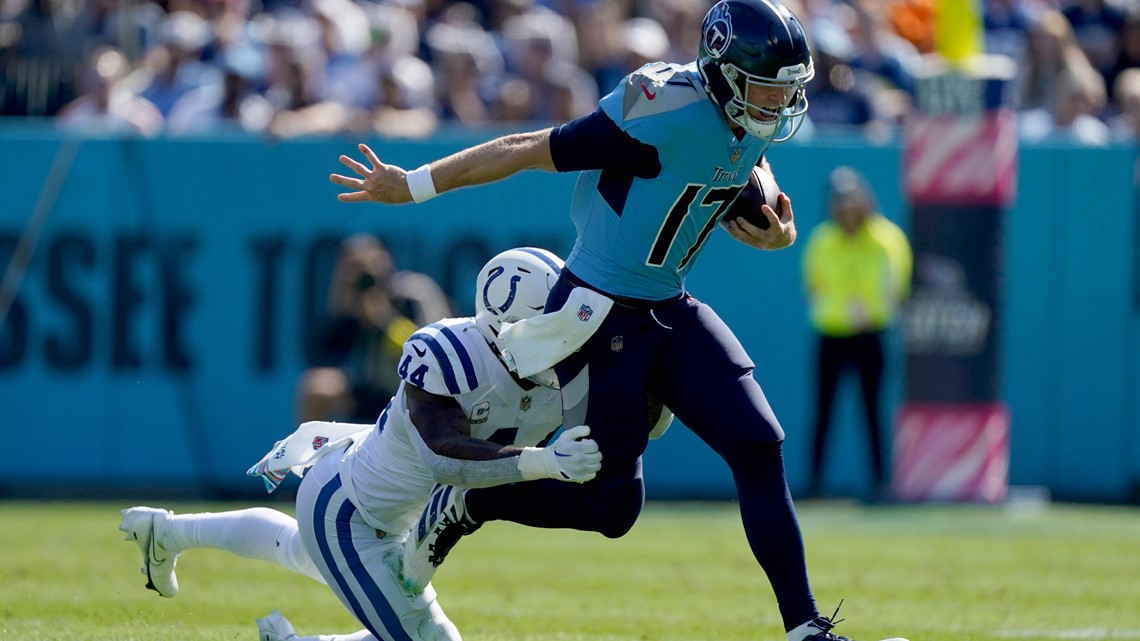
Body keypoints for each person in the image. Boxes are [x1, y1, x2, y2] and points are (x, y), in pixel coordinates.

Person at [328, 1, 907, 640]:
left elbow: (750, 192)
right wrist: (411, 184)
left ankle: (805, 628)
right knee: (611, 509)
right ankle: (473, 498)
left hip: (669, 304)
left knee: (758, 442)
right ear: (723, 73)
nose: (779, 105)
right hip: (598, 313)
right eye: (768, 88)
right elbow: (526, 148)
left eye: (787, 90)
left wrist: (779, 232)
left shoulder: (749, 121)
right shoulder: (663, 110)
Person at [119, 247, 606, 641]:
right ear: (507, 326)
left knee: (301, 553)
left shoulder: (549, 369)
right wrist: (543, 461)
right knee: (426, 637)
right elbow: (442, 452)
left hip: (382, 508)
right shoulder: (450, 353)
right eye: (550, 323)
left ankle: (168, 533)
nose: (565, 335)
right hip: (350, 513)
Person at [801, 166, 912, 500]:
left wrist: (874, 310)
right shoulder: (822, 240)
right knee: (823, 411)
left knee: (871, 411)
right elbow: (813, 287)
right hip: (831, 335)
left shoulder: (886, 238)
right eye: (839, 200)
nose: (846, 206)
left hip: (871, 335)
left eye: (851, 198)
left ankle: (880, 485)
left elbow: (898, 286)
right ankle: (815, 485)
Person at [297, 233, 450, 424]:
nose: (366, 275)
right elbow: (324, 354)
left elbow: (430, 352)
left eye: (369, 264)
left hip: (421, 392)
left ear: (386, 260)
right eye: (354, 267)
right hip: (379, 391)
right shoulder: (356, 302)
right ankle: (311, 452)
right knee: (316, 388)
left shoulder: (414, 293)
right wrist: (341, 308)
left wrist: (384, 319)